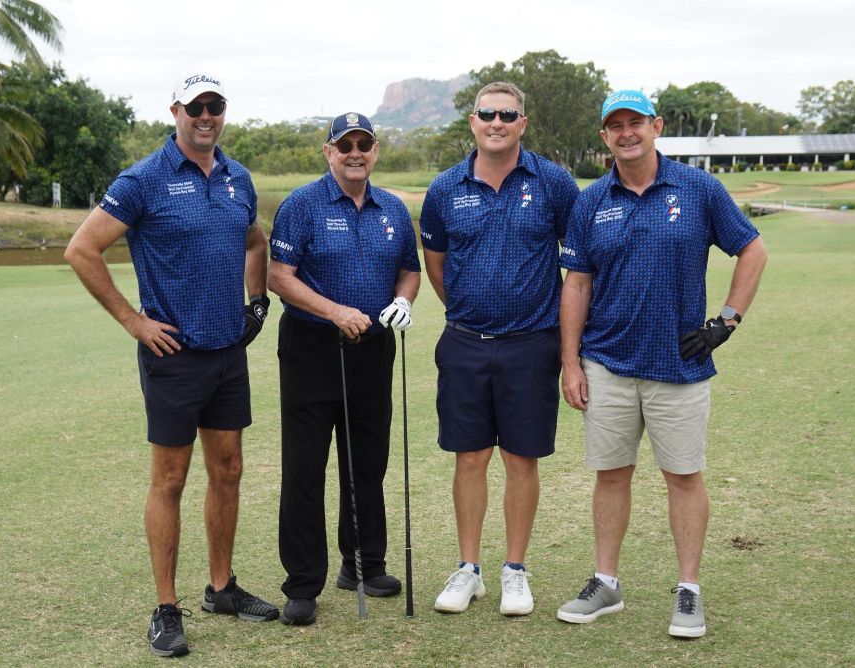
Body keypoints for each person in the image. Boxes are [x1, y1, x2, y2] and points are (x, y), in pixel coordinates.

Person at [64, 72, 278, 657]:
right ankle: (165, 607)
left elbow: (255, 241)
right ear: (176, 111)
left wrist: (256, 301)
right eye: (196, 107)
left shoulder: (238, 178)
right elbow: (81, 250)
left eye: (216, 106)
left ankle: (221, 588)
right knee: (171, 479)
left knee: (228, 470)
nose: (206, 116)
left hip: (227, 353)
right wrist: (134, 322)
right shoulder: (144, 180)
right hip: (173, 354)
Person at [556, 90, 768, 638]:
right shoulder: (590, 201)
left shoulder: (697, 188)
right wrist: (571, 362)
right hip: (607, 360)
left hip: (680, 363)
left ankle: (689, 590)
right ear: (604, 137)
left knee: (683, 475)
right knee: (611, 473)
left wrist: (727, 320)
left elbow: (752, 248)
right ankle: (606, 582)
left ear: (657, 127)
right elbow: (576, 282)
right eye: (615, 126)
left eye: (636, 123)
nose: (626, 132)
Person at [419, 82, 580, 617]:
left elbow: (577, 263)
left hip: (532, 345)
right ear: (473, 121)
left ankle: (515, 569)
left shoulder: (554, 183)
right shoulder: (445, 188)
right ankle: (469, 568)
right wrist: (469, 306)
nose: (496, 122)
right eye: (487, 113)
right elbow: (436, 264)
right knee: (469, 456)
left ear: (522, 123)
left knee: (520, 458)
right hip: (465, 342)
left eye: (507, 115)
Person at [268, 112, 421, 626]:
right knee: (306, 467)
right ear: (329, 152)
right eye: (346, 145)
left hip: (373, 351)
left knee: (367, 462)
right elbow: (278, 276)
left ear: (375, 151)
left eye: (365, 144)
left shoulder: (394, 210)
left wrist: (403, 299)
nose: (356, 153)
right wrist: (333, 310)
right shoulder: (302, 205)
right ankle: (303, 583)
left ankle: (363, 565)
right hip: (313, 348)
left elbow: (409, 269)